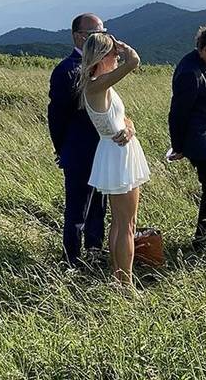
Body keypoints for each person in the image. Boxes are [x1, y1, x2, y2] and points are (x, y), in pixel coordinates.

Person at [79, 33, 150, 285]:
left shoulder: (102, 85)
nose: (117, 56)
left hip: (117, 150)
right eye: (112, 53)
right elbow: (134, 61)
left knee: (120, 223)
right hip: (116, 155)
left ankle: (119, 277)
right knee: (127, 223)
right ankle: (126, 284)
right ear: (100, 57)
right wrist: (124, 46)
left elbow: (123, 118)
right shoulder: (96, 84)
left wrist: (129, 128)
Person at [48, 13, 108, 266]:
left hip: (102, 151)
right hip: (79, 151)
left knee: (99, 207)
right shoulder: (66, 70)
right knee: (77, 211)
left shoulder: (100, 68)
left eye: (103, 33)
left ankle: (94, 252)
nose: (101, 39)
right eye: (96, 34)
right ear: (78, 36)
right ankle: (71, 261)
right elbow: (56, 116)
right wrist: (63, 148)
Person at [167, 24, 206, 250]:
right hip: (200, 141)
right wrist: (178, 146)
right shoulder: (188, 72)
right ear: (204, 48)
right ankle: (203, 240)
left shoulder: (205, 64)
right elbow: (178, 112)